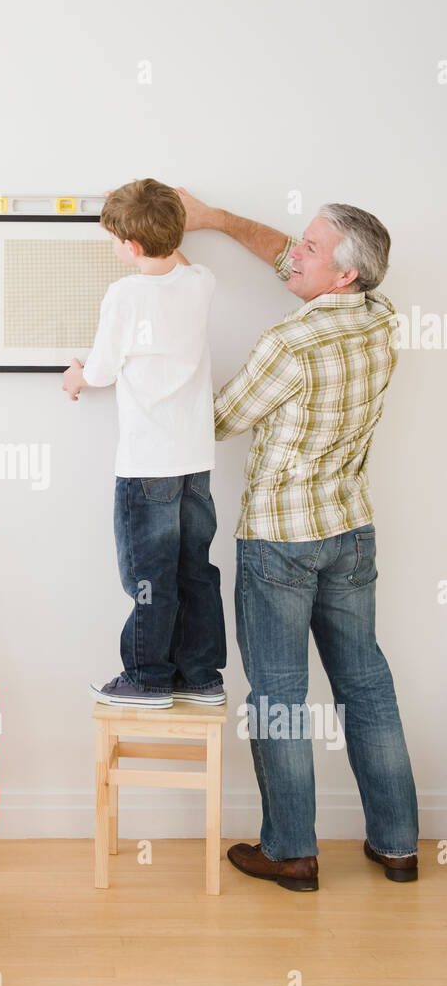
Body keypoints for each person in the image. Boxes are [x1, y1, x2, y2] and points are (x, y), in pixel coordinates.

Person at [178, 188, 419, 891]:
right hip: (349, 533)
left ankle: (290, 850)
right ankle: (398, 845)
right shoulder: (379, 316)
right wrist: (216, 218)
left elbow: (219, 421)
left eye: (310, 248)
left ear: (342, 274)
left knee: (278, 696)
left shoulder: (290, 343)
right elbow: (293, 258)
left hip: (280, 543)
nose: (295, 253)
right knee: (366, 686)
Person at [62, 178, 226, 709]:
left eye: (116, 239)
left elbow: (104, 370)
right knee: (194, 568)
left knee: (148, 575)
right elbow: (174, 256)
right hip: (194, 461)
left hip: (147, 465)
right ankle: (201, 676)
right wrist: (164, 213)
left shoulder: (126, 294)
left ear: (131, 247)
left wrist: (75, 374)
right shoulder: (201, 281)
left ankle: (147, 678)